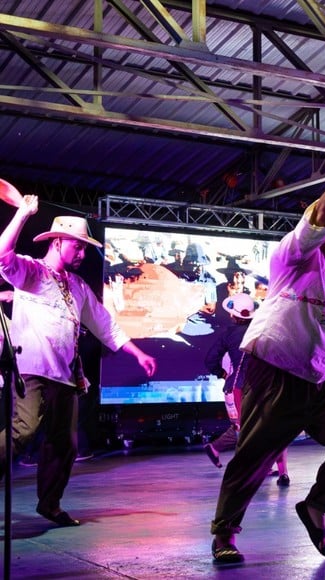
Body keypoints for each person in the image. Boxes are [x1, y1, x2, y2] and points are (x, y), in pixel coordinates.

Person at [209, 137, 325, 563]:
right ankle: (224, 533)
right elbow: (316, 222)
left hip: (319, 378)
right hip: (276, 369)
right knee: (254, 455)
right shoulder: (295, 255)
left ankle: (316, 506)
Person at [0, 194, 157, 527]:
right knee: (23, 431)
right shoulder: (32, 272)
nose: (83, 254)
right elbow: (2, 255)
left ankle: (50, 504)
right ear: (58, 243)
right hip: (32, 370)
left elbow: (104, 324)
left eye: (85, 248)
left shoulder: (78, 286)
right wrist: (23, 214)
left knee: (65, 445)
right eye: (78, 247)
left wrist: (137, 352)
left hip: (66, 376)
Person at [202, 294, 289, 486]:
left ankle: (241, 466)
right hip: (265, 386)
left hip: (238, 387)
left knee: (245, 430)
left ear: (233, 315)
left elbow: (210, 359)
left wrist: (222, 373)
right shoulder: (264, 330)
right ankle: (282, 472)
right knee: (273, 428)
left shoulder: (229, 334)